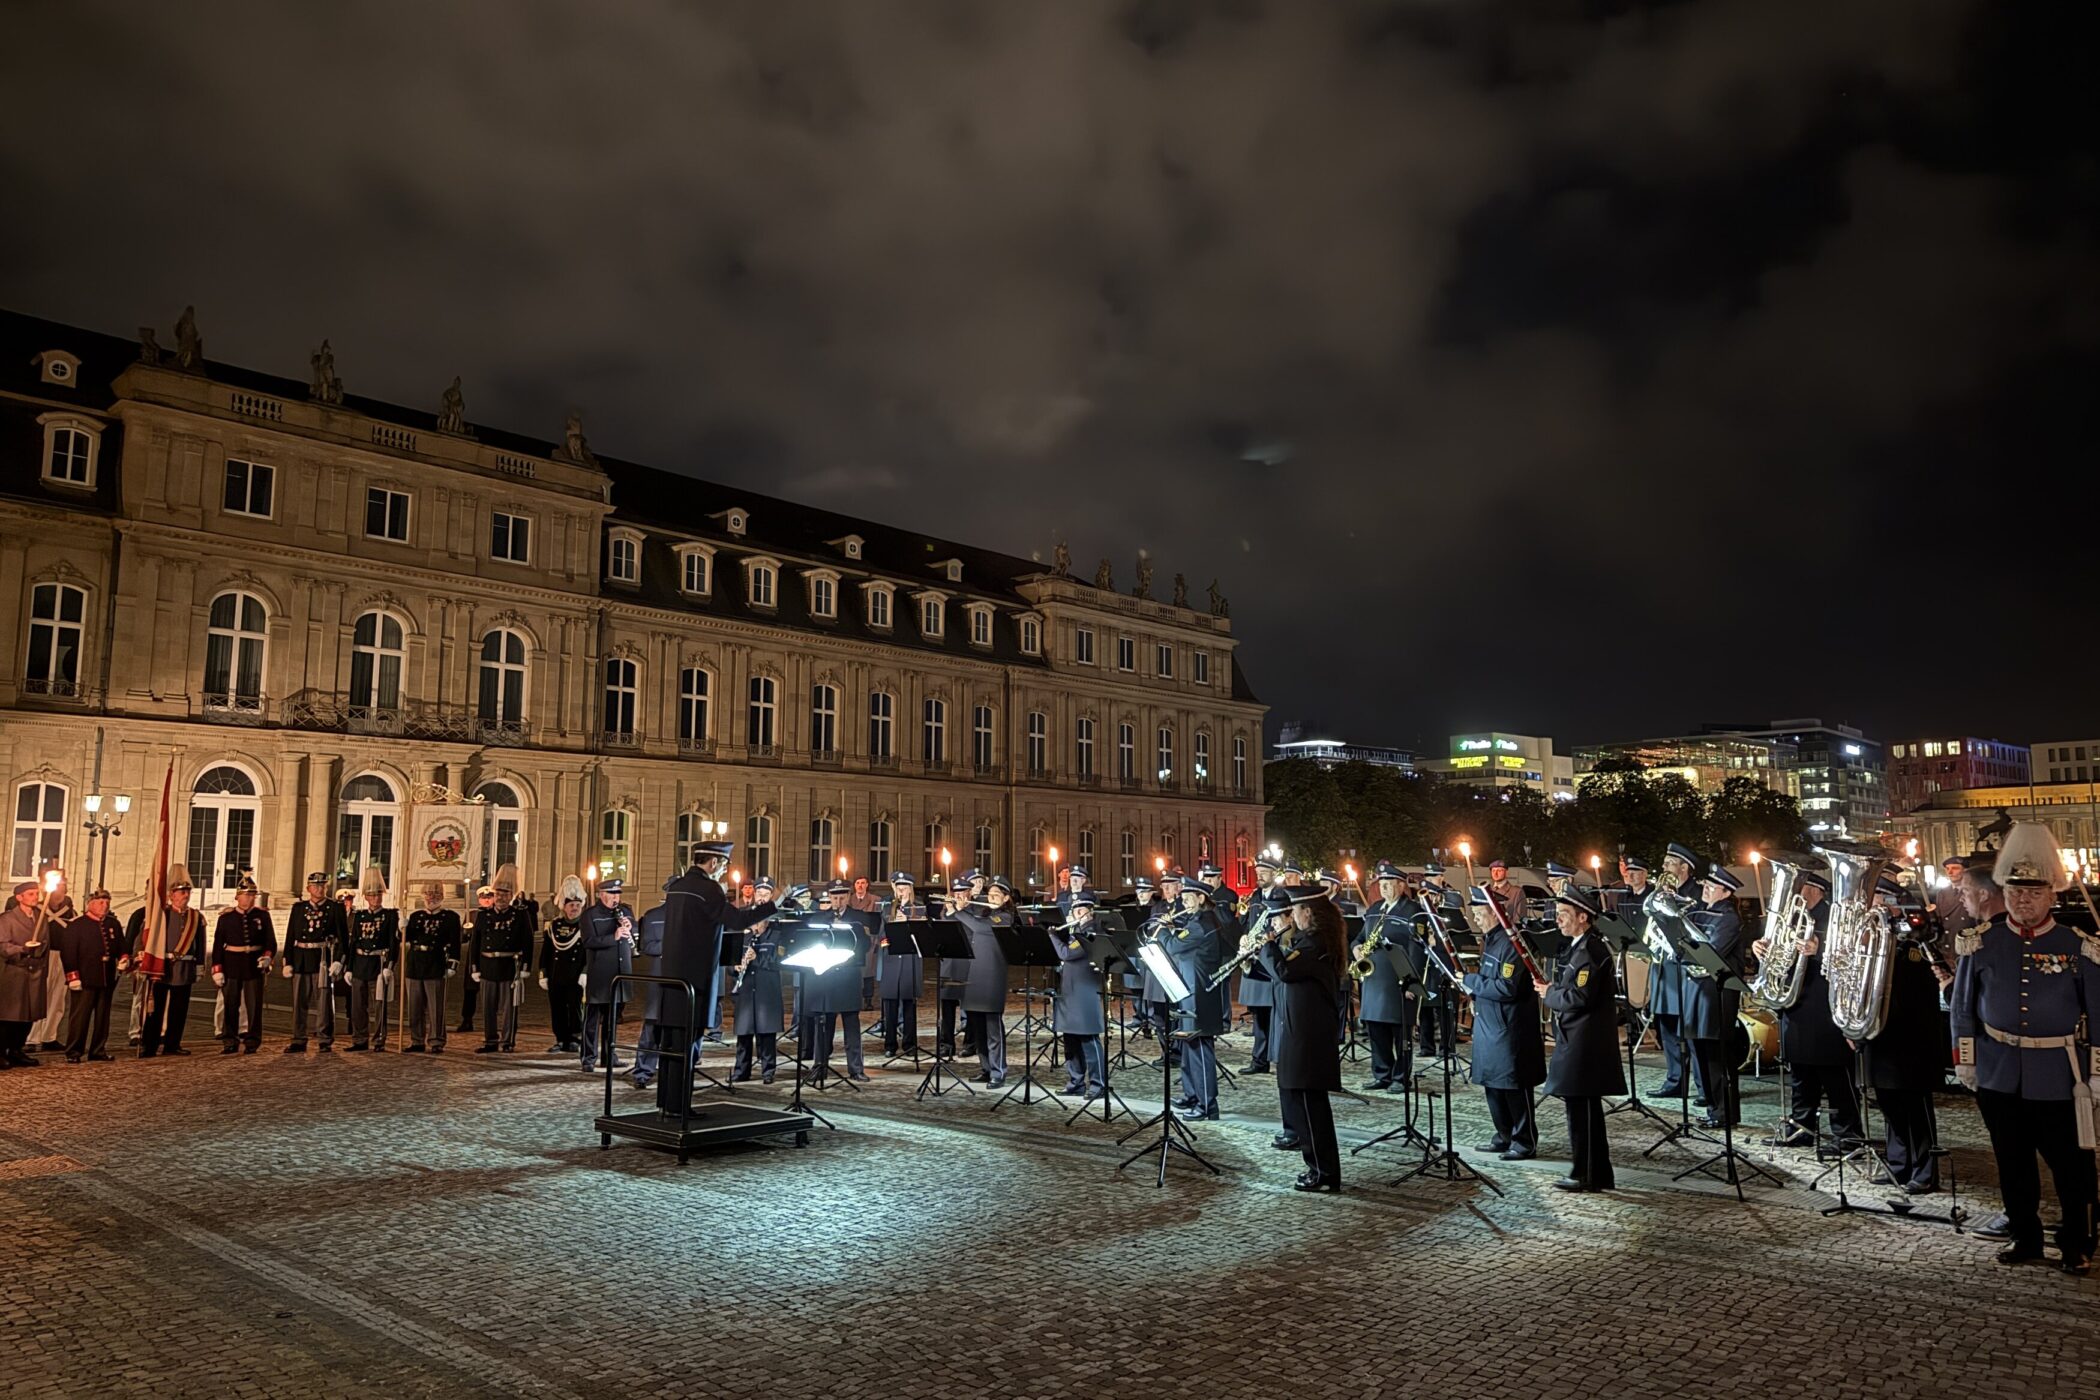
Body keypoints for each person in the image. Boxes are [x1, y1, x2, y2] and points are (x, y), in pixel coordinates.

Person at [1950, 822, 2099, 1273]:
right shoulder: (1982, 943)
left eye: (2034, 893)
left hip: (2060, 1075)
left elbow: (2099, 1015)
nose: (2023, 901)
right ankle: (2025, 1237)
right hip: (1999, 1074)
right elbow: (1962, 1009)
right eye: (2015, 892)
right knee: (2012, 1164)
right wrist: (1966, 1062)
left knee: (2072, 1167)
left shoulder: (2078, 947)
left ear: (2052, 894)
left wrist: (2096, 1072)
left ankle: (2077, 1243)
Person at [657, 841, 776, 1112]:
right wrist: (771, 906)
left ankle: (666, 1102)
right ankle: (679, 1108)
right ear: (713, 862)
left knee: (671, 1044)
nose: (723, 870)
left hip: (671, 978)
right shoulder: (708, 889)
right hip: (696, 979)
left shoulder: (677, 887)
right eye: (723, 865)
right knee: (690, 1043)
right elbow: (736, 921)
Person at [1757, 870, 1862, 1152]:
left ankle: (1848, 1134)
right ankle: (1800, 1129)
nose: (1795, 893)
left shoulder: (1834, 918)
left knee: (1835, 1075)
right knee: (1801, 1073)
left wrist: (1818, 950)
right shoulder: (1789, 918)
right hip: (1796, 1003)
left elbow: (1849, 957)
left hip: (1826, 1006)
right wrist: (1763, 949)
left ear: (1815, 890)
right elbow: (1779, 954)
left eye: (1800, 887)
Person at [1864, 878, 1949, 1195]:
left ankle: (1925, 1171)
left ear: (1892, 902)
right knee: (1889, 1103)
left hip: (1912, 1036)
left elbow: (1924, 980)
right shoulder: (1872, 936)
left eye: (1877, 898)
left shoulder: (1917, 936)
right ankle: (1899, 1164)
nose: (1872, 904)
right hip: (1881, 1031)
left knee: (1915, 1106)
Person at [1259, 885, 1346, 1193]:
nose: (1292, 917)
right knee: (1301, 1101)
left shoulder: (1315, 943)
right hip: (1301, 1032)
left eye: (1295, 910)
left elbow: (1284, 971)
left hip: (1310, 1036)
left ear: (1308, 912)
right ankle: (1317, 1168)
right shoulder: (1308, 941)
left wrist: (1267, 945)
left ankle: (1324, 1173)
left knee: (1311, 1107)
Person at [1539, 883, 1625, 1190]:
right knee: (1581, 1109)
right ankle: (1595, 1172)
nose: (1558, 919)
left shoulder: (1589, 951)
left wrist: (1550, 994)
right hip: (1580, 1039)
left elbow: (1580, 997)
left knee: (1583, 1111)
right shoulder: (1581, 946)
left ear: (1583, 917)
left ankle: (1586, 1174)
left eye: (1564, 913)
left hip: (1585, 1043)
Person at [1463, 889, 1545, 1159]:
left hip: (1509, 1027)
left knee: (1513, 1086)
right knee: (1493, 1085)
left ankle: (1524, 1142)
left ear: (1495, 913)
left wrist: (1471, 981)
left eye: (1479, 914)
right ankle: (1503, 1135)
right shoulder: (1491, 939)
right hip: (1490, 1023)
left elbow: (1508, 987)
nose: (1476, 920)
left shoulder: (1511, 943)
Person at [1685, 864, 1747, 1130]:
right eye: (1706, 885)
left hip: (1717, 992)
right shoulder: (1703, 912)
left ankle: (1724, 1112)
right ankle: (1713, 1108)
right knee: (1700, 1049)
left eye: (1712, 887)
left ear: (1726, 892)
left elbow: (1713, 951)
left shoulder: (1728, 917)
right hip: (1698, 989)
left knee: (1716, 1054)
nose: (1706, 890)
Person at [1166, 875, 1232, 1121]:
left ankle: (1207, 1104)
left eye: (1188, 898)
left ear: (1201, 898)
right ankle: (1192, 1094)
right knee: (1189, 1045)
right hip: (1193, 991)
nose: (1183, 903)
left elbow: (1172, 946)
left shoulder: (1199, 924)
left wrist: (1164, 930)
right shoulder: (1200, 920)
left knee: (1200, 1049)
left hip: (1199, 995)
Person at [1354, 863, 1422, 1091]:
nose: (1383, 888)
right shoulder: (1375, 909)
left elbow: (1417, 949)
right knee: (1376, 1030)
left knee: (1400, 1033)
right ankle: (1382, 1074)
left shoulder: (1412, 910)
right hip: (1374, 981)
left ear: (1401, 886)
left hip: (1398, 982)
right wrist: (1356, 949)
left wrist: (1411, 982)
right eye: (1381, 884)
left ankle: (1400, 1078)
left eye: (1388, 884)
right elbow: (1359, 938)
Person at [1650, 842, 1703, 1103]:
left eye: (1670, 863)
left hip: (1685, 970)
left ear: (1684, 868)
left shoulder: (1697, 894)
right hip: (1663, 966)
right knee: (1667, 1026)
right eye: (1665, 863)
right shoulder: (1659, 893)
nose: (1664, 867)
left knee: (1690, 1031)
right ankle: (1675, 1081)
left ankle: (1704, 1087)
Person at [804, 880, 871, 1085]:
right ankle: (820, 1066)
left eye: (842, 898)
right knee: (824, 1025)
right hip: (826, 978)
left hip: (848, 976)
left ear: (848, 897)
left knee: (851, 1025)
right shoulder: (819, 918)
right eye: (834, 898)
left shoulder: (857, 918)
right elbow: (810, 944)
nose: (838, 902)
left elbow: (865, 946)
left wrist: (852, 934)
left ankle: (856, 1069)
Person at [136, 866, 205, 1057]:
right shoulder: (162, 914)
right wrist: (142, 955)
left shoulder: (195, 917)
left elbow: (200, 943)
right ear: (171, 895)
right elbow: (145, 936)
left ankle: (173, 1044)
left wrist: (200, 965)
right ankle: (149, 1045)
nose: (185, 895)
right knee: (155, 1009)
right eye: (181, 892)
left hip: (185, 967)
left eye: (187, 892)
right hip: (163, 966)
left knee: (179, 1009)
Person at [951, 876, 1014, 1087]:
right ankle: (986, 1068)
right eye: (990, 894)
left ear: (1006, 898)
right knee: (978, 1027)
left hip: (993, 976)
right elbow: (970, 925)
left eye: (996, 895)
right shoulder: (982, 913)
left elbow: (981, 928)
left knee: (993, 1028)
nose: (992, 898)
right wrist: (961, 907)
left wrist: (959, 911)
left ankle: (998, 1071)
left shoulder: (1004, 917)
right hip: (974, 974)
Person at [281, 872, 347, 1053]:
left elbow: (343, 938)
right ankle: (298, 1038)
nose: (319, 889)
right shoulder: (299, 908)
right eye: (316, 886)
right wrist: (287, 960)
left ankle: (324, 1038)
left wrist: (338, 961)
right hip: (301, 958)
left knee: (324, 1003)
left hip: (322, 958)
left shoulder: (335, 908)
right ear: (308, 888)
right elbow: (290, 935)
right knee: (299, 1002)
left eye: (323, 886)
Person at [1050, 890, 1107, 1099]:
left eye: (1081, 909)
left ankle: (1098, 1084)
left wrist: (1053, 936)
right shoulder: (1076, 930)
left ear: (1090, 912)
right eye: (1075, 910)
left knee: (1088, 1039)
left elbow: (1067, 953)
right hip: (1069, 990)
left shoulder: (1090, 932)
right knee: (1070, 1038)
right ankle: (1076, 1082)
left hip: (1084, 992)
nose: (1077, 913)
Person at [210, 876, 277, 1054]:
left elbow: (270, 941)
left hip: (254, 965)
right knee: (230, 1005)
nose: (250, 899)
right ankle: (230, 1040)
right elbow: (218, 945)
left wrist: (267, 957)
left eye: (252, 895)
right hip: (232, 965)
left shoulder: (262, 916)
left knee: (254, 1006)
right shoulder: (226, 918)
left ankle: (252, 1041)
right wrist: (217, 968)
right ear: (237, 897)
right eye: (246, 895)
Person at [472, 866, 535, 1053]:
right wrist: (474, 967)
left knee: (509, 1008)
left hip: (509, 966)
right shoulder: (483, 915)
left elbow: (528, 941)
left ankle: (507, 1040)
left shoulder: (520, 915)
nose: (501, 897)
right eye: (498, 894)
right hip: (488, 965)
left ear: (511, 896)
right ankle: (490, 1040)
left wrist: (525, 967)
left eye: (505, 894)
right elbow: (475, 943)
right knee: (488, 1007)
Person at [58, 887, 125, 1062]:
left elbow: (121, 946)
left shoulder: (113, 924)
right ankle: (74, 1051)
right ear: (90, 904)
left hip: (106, 977)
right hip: (85, 977)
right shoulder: (77, 925)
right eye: (100, 902)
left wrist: (124, 958)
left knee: (102, 1018)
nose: (104, 906)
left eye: (107, 902)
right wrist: (73, 976)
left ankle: (98, 1050)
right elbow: (68, 952)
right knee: (80, 1018)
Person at [729, 886, 785, 1083]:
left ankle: (768, 1071)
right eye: (753, 922)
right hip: (745, 991)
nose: (756, 926)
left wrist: (758, 958)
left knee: (766, 1034)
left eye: (759, 922)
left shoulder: (776, 935)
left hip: (766, 991)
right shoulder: (742, 936)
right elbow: (728, 963)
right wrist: (735, 966)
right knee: (743, 1034)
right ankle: (741, 1071)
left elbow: (779, 962)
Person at [579, 876, 635, 1073]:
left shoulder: (625, 911)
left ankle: (609, 1056)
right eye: (612, 894)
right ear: (601, 894)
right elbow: (588, 941)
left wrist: (630, 928)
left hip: (620, 973)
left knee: (612, 1019)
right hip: (600, 974)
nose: (616, 898)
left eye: (618, 894)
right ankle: (588, 1058)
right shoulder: (590, 915)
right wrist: (613, 937)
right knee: (593, 1020)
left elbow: (636, 931)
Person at [401, 882, 460, 1053]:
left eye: (435, 894)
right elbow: (406, 938)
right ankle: (417, 1040)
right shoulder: (416, 916)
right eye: (428, 894)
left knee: (435, 1007)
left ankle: (436, 1040)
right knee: (414, 1006)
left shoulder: (450, 917)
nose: (431, 897)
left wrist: (453, 964)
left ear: (442, 896)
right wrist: (402, 928)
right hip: (415, 963)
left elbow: (455, 942)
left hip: (435, 962)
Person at [0, 880, 54, 1067]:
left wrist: (42, 964)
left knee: (28, 1015)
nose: (35, 897)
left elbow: (46, 943)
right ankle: (1, 1051)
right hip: (14, 972)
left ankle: (17, 1049)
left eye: (36, 893)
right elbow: (3, 946)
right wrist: (22, 949)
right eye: (30, 894)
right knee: (9, 1015)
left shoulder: (41, 917)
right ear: (19, 897)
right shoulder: (7, 919)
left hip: (35, 972)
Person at [345, 868, 396, 1052]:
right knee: (358, 1006)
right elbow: (353, 942)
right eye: (372, 895)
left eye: (378, 895)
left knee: (379, 1005)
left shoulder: (390, 915)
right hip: (360, 963)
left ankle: (379, 1039)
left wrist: (390, 965)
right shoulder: (359, 916)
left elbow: (393, 943)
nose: (376, 899)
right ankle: (359, 1039)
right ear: (366, 897)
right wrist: (349, 968)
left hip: (378, 963)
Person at [937, 868, 986, 1055]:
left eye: (962, 893)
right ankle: (947, 1044)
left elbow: (972, 930)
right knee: (947, 1007)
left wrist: (957, 911)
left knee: (971, 1006)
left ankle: (971, 1043)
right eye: (956, 893)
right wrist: (951, 911)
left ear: (969, 893)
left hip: (969, 964)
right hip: (950, 963)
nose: (958, 896)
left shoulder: (977, 910)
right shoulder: (946, 911)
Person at [877, 872, 927, 1055]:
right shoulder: (888, 908)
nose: (901, 892)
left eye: (904, 888)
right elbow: (881, 934)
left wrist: (907, 923)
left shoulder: (918, 908)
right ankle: (890, 1045)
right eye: (899, 888)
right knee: (890, 1005)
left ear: (910, 889)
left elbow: (923, 934)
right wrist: (889, 938)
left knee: (908, 1004)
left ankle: (909, 1044)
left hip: (909, 960)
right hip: (892, 959)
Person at [538, 879, 588, 1053]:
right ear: (564, 907)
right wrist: (543, 973)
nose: (575, 908)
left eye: (577, 905)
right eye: (571, 905)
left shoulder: (585, 926)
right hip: (556, 974)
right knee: (557, 1008)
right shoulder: (555, 926)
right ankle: (560, 1038)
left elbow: (589, 953)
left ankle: (575, 1037)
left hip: (575, 976)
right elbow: (546, 952)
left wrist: (585, 972)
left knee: (575, 1008)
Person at [27, 874, 74, 1051]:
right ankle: (31, 1038)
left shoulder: (69, 911)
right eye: (57, 887)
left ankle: (49, 1036)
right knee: (39, 995)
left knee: (58, 998)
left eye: (62, 887)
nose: (59, 891)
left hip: (63, 955)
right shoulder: (37, 910)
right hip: (43, 956)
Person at [457, 884, 493, 1032]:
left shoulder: (496, 914)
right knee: (470, 990)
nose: (486, 900)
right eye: (483, 898)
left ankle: (492, 1020)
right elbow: (461, 939)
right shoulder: (472, 914)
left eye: (489, 897)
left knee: (492, 992)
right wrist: (465, 932)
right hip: (474, 956)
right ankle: (467, 1019)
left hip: (489, 957)